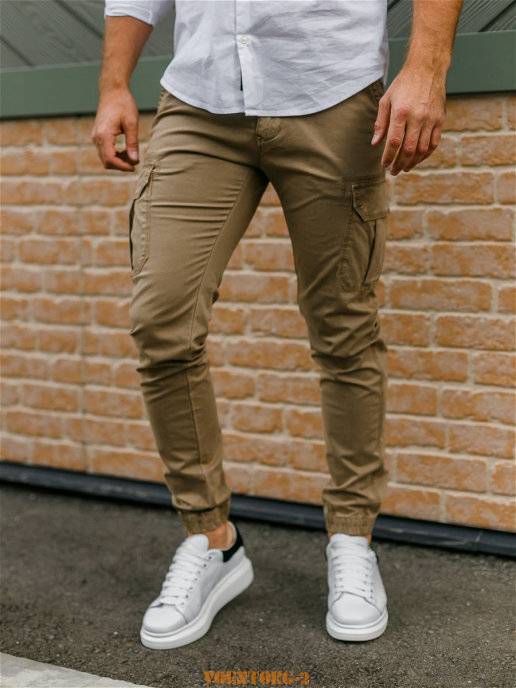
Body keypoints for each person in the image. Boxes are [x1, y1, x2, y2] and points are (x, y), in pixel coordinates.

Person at [93, 0, 462, 649]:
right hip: (200, 98)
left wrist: (427, 67)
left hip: (331, 86)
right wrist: (114, 83)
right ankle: (213, 540)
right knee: (162, 321)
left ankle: (352, 538)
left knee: (343, 328)